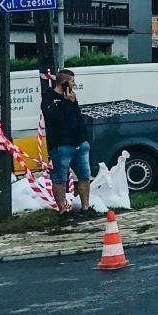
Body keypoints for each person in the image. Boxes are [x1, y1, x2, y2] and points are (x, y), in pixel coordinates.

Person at [41, 69, 94, 215]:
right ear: (64, 83)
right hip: (61, 145)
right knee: (60, 178)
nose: (74, 84)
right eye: (72, 81)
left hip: (79, 142)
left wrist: (84, 137)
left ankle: (86, 207)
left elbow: (77, 117)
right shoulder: (49, 98)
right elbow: (56, 118)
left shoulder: (72, 97)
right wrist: (67, 102)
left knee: (84, 175)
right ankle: (63, 210)